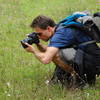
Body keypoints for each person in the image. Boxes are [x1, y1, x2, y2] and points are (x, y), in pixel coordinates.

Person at [23, 15, 100, 87]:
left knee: (56, 54)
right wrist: (37, 43)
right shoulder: (60, 28)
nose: (39, 36)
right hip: (89, 59)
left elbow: (46, 59)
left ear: (49, 29)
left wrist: (33, 51)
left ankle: (80, 80)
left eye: (39, 34)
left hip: (93, 63)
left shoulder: (60, 34)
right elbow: (48, 51)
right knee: (55, 52)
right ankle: (66, 77)